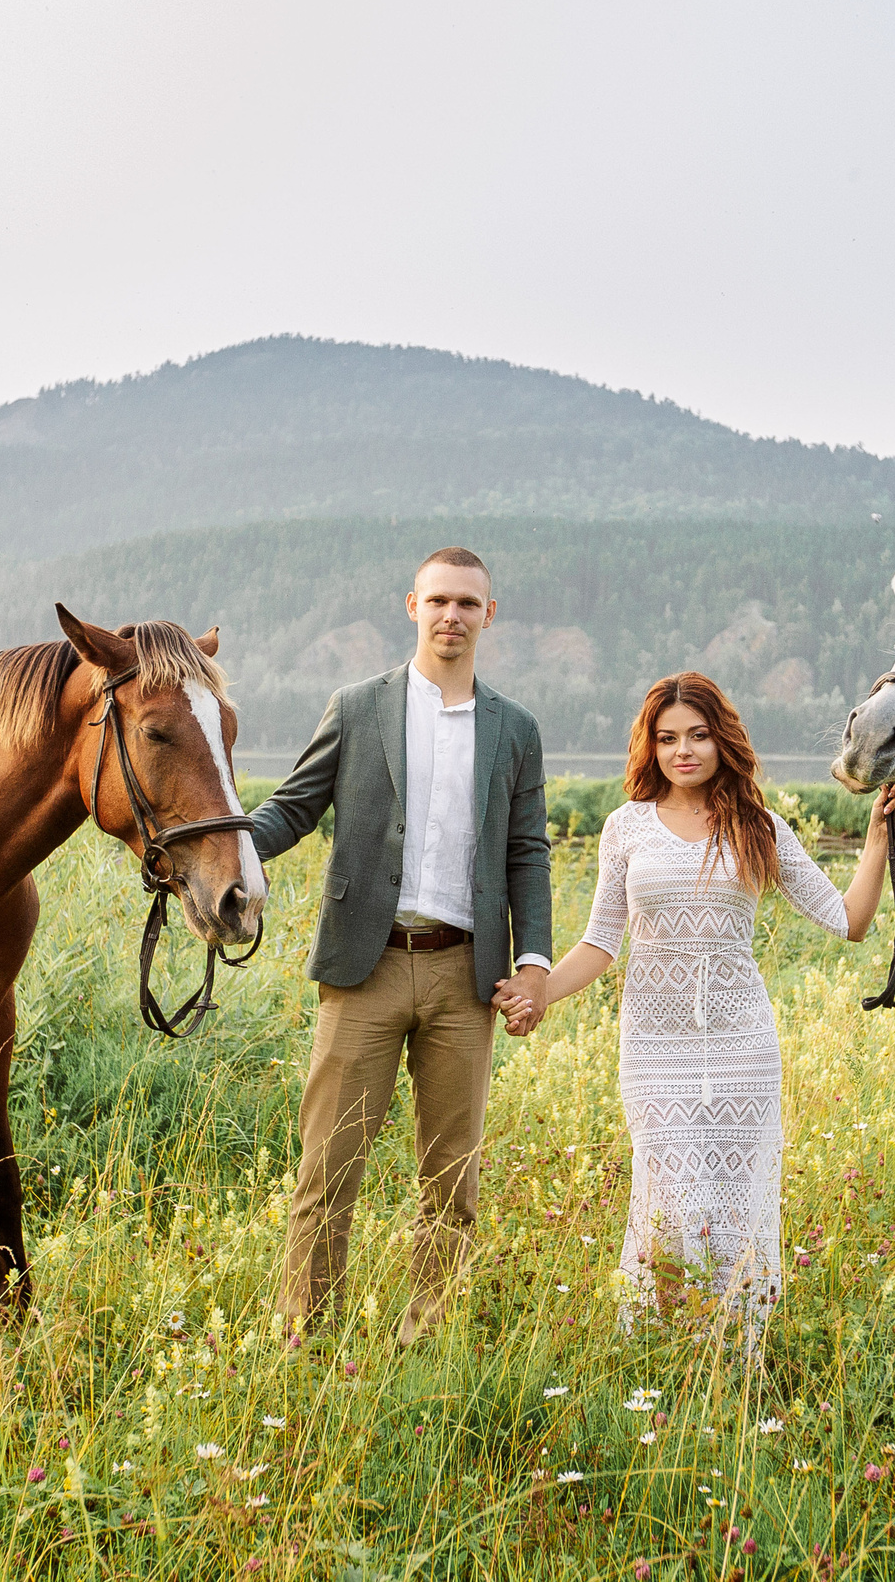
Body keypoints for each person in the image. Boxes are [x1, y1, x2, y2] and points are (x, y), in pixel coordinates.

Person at [512, 671, 895, 1342]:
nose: (682, 750)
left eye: (697, 735)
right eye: (667, 738)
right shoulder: (625, 827)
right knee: (669, 1197)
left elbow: (849, 919)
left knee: (737, 1205)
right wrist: (537, 989)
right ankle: (663, 1349)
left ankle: (733, 1349)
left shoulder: (759, 827)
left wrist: (875, 839)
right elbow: (600, 942)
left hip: (742, 1045)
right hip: (654, 1049)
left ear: (722, 740)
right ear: (650, 746)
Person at [248, 546, 555, 1347]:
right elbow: (294, 806)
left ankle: (427, 1337)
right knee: (328, 1166)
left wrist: (534, 960)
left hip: (467, 975)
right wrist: (224, 848)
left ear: (491, 615)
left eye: (469, 603)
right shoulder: (357, 706)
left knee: (452, 1179)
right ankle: (305, 1339)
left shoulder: (515, 729)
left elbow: (529, 850)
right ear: (411, 605)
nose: (452, 615)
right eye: (439, 599)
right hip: (366, 965)